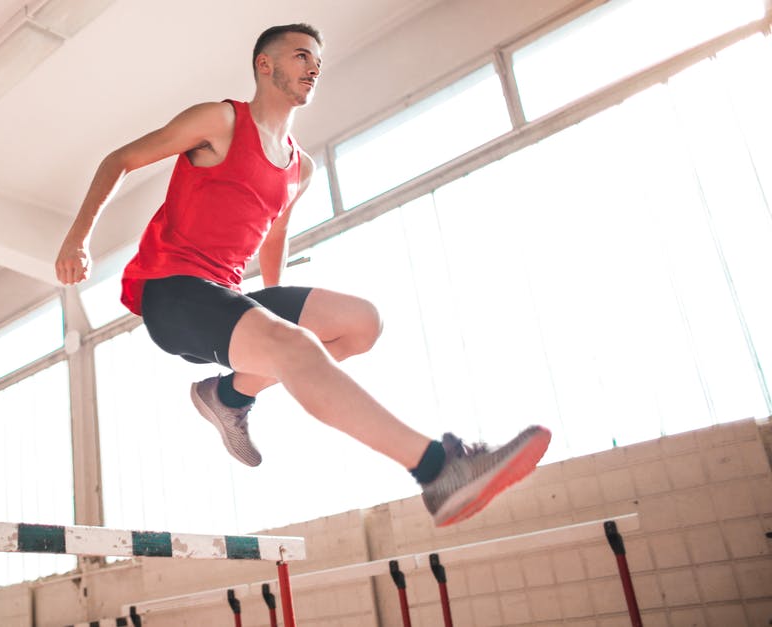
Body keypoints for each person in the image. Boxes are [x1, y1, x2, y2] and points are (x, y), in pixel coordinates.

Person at [54, 24, 550, 526]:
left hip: (224, 293)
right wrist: (78, 238)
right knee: (293, 346)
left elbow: (273, 237)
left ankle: (229, 395)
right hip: (174, 293)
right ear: (265, 65)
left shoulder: (300, 167)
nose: (313, 68)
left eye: (317, 61)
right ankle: (437, 470)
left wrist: (272, 314)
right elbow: (122, 159)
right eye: (301, 56)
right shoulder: (221, 121)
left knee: (360, 324)